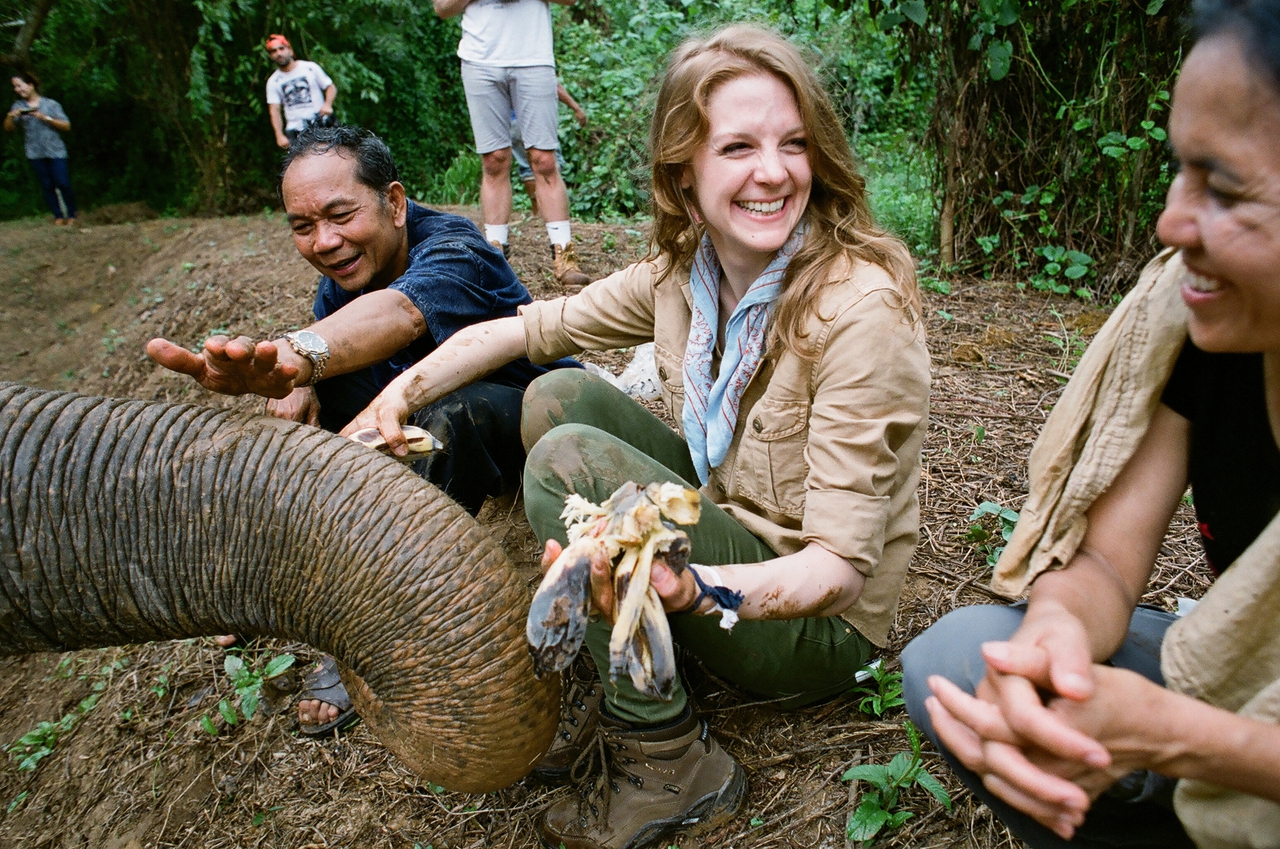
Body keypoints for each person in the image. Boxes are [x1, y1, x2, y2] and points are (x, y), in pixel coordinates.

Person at [346, 25, 929, 849]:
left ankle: (667, 756)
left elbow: (835, 572)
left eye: (794, 143)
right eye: (738, 147)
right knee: (556, 395)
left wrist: (694, 589)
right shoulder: (687, 274)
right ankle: (626, 647)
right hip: (728, 522)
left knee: (563, 459)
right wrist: (397, 397)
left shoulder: (858, 313)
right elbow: (521, 332)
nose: (775, 171)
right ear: (683, 176)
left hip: (819, 625)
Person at [901, 2, 1280, 847]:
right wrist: (1054, 640)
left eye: (1223, 187)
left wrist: (1181, 736)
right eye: (1180, 173)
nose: (1170, 223)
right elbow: (1109, 559)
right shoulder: (1202, 336)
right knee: (958, 662)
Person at [145, 124, 579, 736]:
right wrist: (304, 382)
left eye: (340, 215)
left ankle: (360, 629)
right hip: (433, 417)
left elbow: (399, 315)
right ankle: (274, 577)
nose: (325, 241)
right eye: (302, 227)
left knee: (446, 418)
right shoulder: (340, 282)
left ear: (395, 203)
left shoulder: (456, 249)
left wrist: (298, 356)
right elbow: (344, 338)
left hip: (534, 425)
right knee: (310, 417)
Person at [433, 0, 592, 288]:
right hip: (480, 60)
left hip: (534, 58)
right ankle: (495, 255)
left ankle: (564, 256)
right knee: (494, 159)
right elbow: (442, 8)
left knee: (544, 159)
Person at [4, 71, 76, 225]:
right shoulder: (18, 106)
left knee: (62, 181)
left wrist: (45, 118)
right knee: (46, 184)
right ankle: (57, 215)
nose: (17, 89)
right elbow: (8, 128)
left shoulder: (50, 104)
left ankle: (71, 214)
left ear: (30, 85)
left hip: (56, 150)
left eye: (19, 85)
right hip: (34, 152)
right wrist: (11, 116)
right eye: (15, 87)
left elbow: (67, 125)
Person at [511, 83, 587, 218]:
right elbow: (554, 85)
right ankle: (552, 215)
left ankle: (538, 212)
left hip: (512, 121)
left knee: (527, 168)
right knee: (550, 165)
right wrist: (576, 108)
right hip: (536, 119)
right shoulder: (535, 64)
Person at [264, 34, 337, 150]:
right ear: (270, 56)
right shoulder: (273, 81)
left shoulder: (309, 68)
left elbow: (330, 86)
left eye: (281, 48)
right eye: (273, 51)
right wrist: (279, 135)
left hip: (320, 123)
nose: (278, 53)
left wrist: (327, 105)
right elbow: (274, 110)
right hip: (296, 129)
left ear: (290, 50)